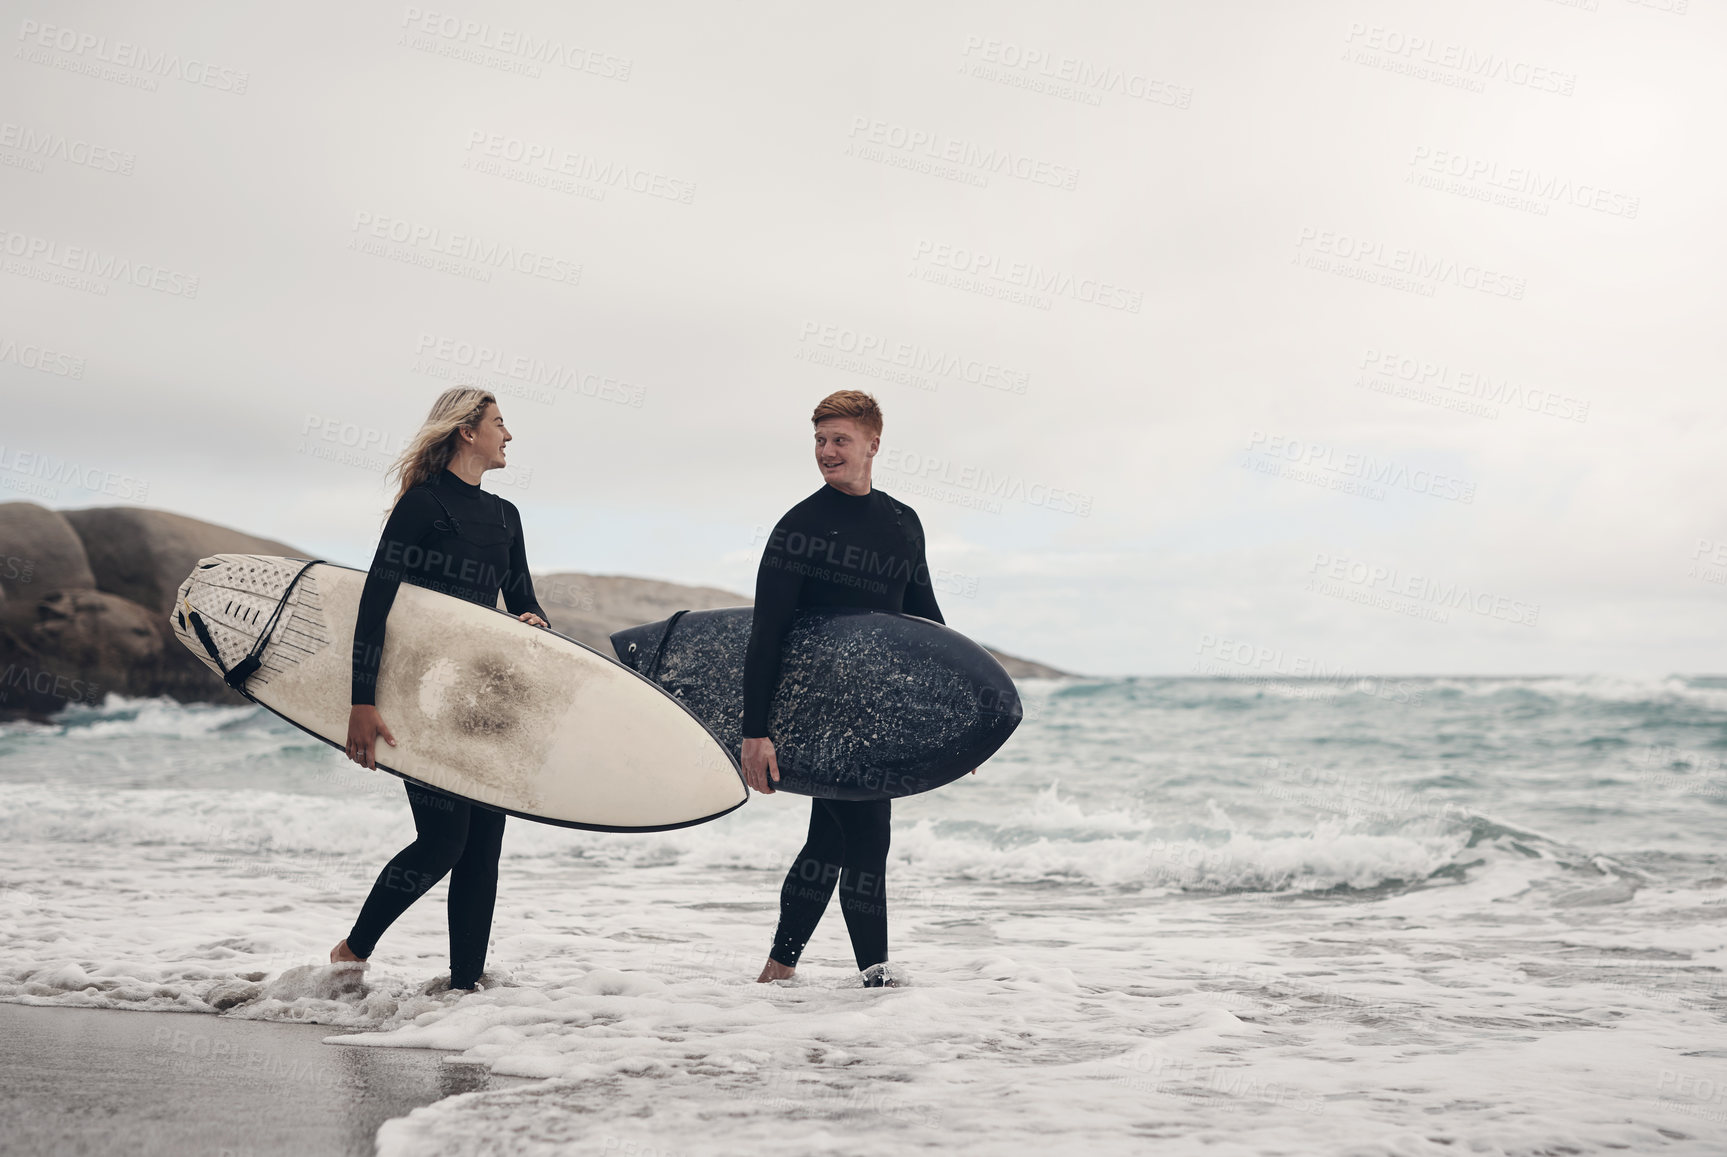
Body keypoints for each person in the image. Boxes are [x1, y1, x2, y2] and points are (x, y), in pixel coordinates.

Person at [329, 388, 549, 990]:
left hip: (482, 703)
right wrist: (362, 702)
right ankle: (353, 949)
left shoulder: (507, 518)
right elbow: (375, 605)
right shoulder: (422, 507)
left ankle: (465, 989)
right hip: (419, 700)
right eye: (500, 424)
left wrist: (533, 621)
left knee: (482, 850)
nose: (509, 436)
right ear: (466, 432)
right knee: (445, 839)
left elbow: (524, 602)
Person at [742, 390, 947, 987]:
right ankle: (875, 981)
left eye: (840, 440)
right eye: (819, 440)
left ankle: (779, 970)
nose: (826, 452)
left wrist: (956, 721)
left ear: (872, 444)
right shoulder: (800, 528)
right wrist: (756, 732)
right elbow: (766, 635)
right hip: (817, 712)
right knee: (865, 837)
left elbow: (926, 624)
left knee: (829, 841)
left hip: (875, 713)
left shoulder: (903, 522)